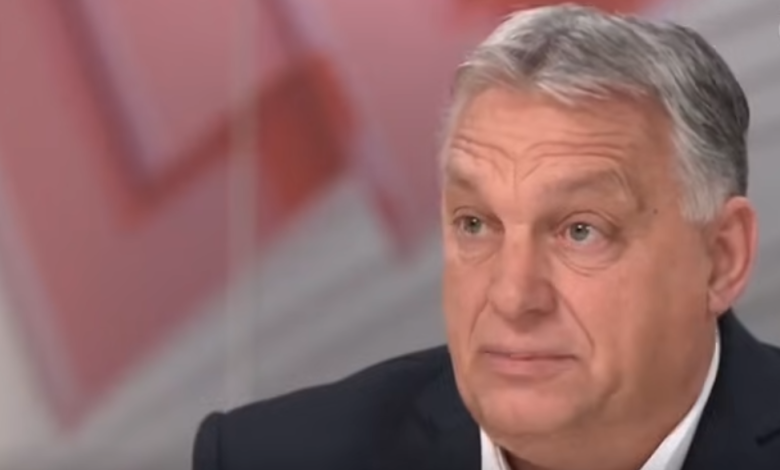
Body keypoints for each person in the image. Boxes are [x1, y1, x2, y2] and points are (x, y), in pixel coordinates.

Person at [192, 5, 780, 470]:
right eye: (475, 224)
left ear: (721, 258)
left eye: (581, 231)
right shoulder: (267, 457)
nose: (512, 297)